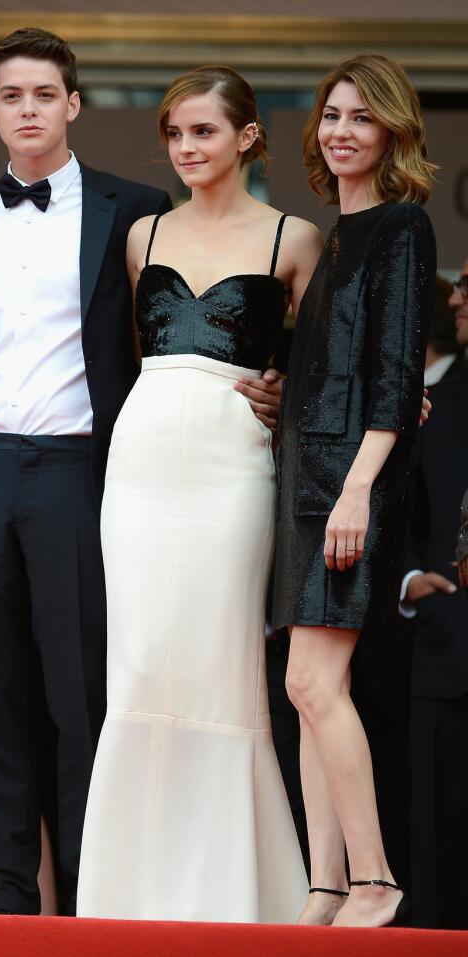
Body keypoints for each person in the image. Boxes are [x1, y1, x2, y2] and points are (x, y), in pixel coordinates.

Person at [0, 29, 284, 916]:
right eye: (11, 96)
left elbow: (184, 334)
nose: (28, 110)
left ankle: (96, 898)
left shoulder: (136, 214)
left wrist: (278, 388)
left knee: (80, 693)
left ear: (73, 104)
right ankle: (9, 905)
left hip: (80, 467)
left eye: (44, 95)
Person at [75, 66, 322, 923]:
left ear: (249, 136)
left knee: (222, 665)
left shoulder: (295, 238)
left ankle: (232, 894)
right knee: (139, 661)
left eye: (204, 132)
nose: (187, 149)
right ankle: (127, 894)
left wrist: (287, 394)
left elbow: (321, 371)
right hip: (141, 458)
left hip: (232, 462)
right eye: (176, 135)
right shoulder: (141, 234)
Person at [273, 54, 437, 928]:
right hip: (305, 471)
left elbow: (393, 372)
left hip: (348, 480)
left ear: (393, 132)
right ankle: (324, 884)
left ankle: (374, 878)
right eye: (332, 115)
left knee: (314, 682)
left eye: (361, 118)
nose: (342, 130)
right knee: (306, 691)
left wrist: (359, 489)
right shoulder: (333, 234)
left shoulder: (403, 227)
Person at [400, 260, 468, 929]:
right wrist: (411, 578)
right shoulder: (410, 400)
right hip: (440, 638)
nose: (459, 297)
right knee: (436, 821)